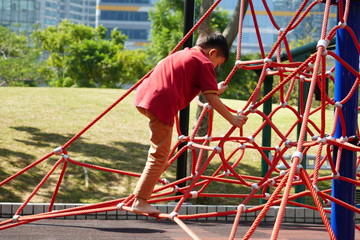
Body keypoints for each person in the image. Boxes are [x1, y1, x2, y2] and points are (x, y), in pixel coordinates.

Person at [131, 31, 248, 214]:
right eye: (217, 64)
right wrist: (232, 118)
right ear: (212, 53)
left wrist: (214, 89)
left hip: (145, 98)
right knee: (159, 156)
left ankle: (142, 191)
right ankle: (140, 200)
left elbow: (193, 83)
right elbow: (211, 98)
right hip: (161, 104)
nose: (214, 68)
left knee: (162, 158)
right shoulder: (203, 62)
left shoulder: (184, 53)